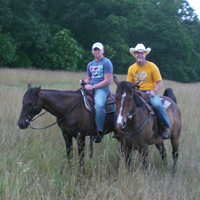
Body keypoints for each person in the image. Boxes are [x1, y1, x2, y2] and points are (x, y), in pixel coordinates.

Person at [127, 43, 171, 139]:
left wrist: (154, 91)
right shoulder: (131, 68)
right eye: (137, 53)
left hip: (149, 92)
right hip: (136, 92)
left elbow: (159, 82)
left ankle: (165, 127)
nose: (139, 55)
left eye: (141, 53)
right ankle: (120, 129)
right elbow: (129, 84)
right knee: (123, 105)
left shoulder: (152, 66)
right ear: (134, 54)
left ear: (145, 54)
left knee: (157, 105)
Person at [80, 42, 113, 143]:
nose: (96, 51)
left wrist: (93, 86)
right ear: (92, 51)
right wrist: (84, 82)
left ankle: (99, 131)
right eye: (95, 49)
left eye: (98, 49)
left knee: (98, 105)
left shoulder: (106, 62)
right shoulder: (90, 64)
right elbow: (89, 79)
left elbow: (107, 81)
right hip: (91, 87)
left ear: (102, 51)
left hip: (102, 89)